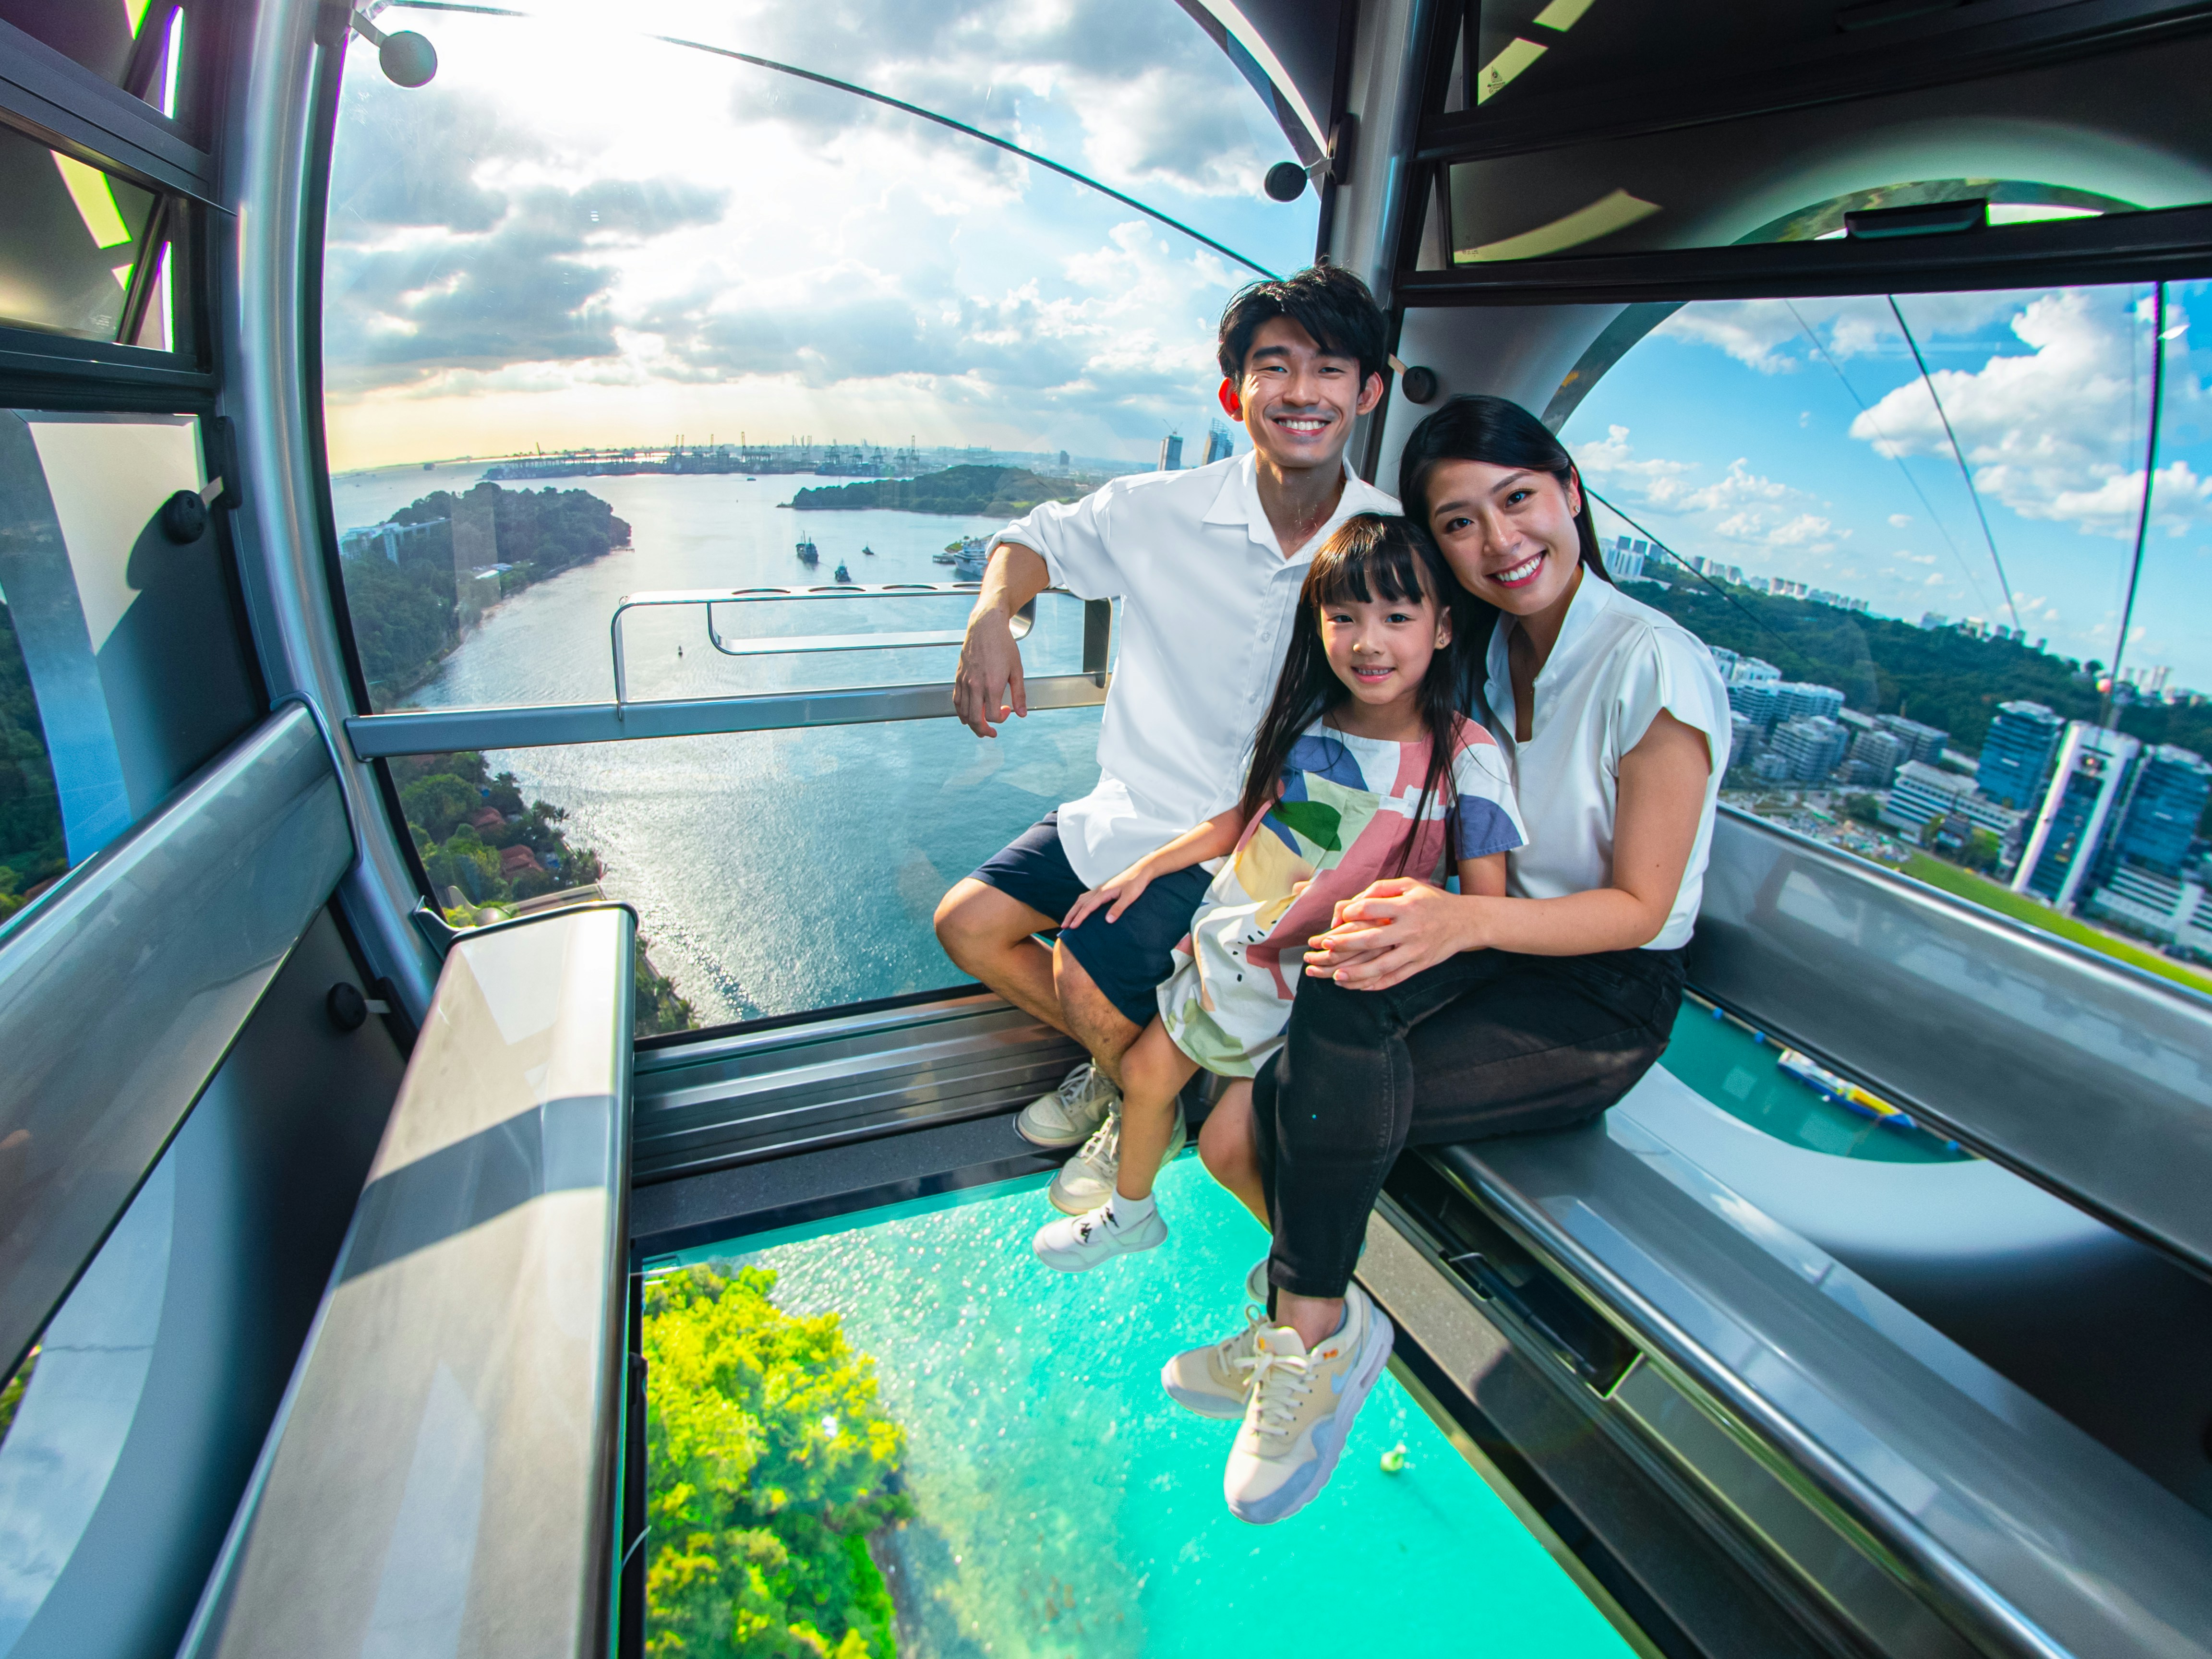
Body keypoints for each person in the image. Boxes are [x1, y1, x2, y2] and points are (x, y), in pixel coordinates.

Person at [1173, 395, 1731, 1526]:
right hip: (1500, 949)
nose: (1500, 542)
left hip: (1598, 995)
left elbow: (1641, 909)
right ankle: (1318, 1322)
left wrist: (1460, 921)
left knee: (1287, 1095)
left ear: (1571, 492)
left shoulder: (1652, 664)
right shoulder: (1490, 652)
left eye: (1518, 501)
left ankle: (1312, 1331)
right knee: (1342, 970)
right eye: (1461, 523)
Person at [932, 265, 1394, 1216]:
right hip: (1130, 803)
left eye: (1330, 368)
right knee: (967, 926)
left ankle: (1145, 1098)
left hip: (1275, 835)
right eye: (1275, 367)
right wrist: (989, 617)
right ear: (1236, 393)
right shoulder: (1162, 510)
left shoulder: (1388, 539)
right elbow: (1033, 542)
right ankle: (1136, 1076)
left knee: (1085, 960)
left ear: (1368, 392)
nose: (1302, 392)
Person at [1027, 515, 1523, 1275]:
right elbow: (1247, 820)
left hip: (1321, 989)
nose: (1370, 641)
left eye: (1398, 616)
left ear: (1444, 627)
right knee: (1152, 1079)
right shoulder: (1311, 727)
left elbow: (1481, 912)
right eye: (1345, 617)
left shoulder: (1467, 759)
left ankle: (1309, 1279)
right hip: (1237, 955)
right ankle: (1136, 1216)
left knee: (1227, 1145)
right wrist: (1146, 868)